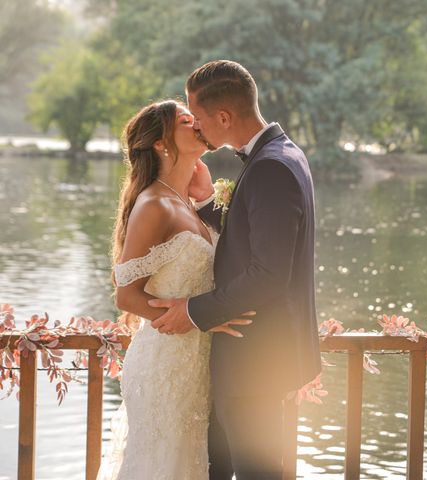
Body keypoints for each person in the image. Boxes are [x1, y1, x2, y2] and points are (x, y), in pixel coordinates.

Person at [149, 60, 321, 479]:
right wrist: (209, 203)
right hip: (258, 352)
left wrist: (193, 311)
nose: (196, 127)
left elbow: (268, 273)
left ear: (224, 117)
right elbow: (257, 236)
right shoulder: (280, 155)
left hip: (256, 357)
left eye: (199, 118)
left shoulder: (271, 168)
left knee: (256, 472)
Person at [98, 99, 252, 479]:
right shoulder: (154, 204)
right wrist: (200, 318)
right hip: (164, 363)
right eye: (187, 120)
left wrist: (206, 198)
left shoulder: (186, 201)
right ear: (161, 143)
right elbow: (126, 295)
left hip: (196, 365)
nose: (197, 122)